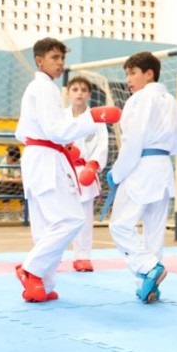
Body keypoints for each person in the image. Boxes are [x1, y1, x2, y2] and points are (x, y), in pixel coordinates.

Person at [14, 37, 121, 303]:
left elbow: (27, 131)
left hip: (39, 156)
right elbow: (55, 130)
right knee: (71, 218)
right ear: (39, 60)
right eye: (54, 58)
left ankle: (43, 285)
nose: (61, 63)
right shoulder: (45, 88)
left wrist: (68, 148)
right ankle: (31, 270)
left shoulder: (38, 89)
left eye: (62, 58)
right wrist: (92, 118)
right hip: (45, 159)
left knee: (45, 227)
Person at [106, 51, 177, 303]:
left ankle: (149, 268)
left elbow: (134, 139)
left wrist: (117, 172)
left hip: (140, 167)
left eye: (132, 73)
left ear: (149, 74)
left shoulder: (140, 99)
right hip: (163, 167)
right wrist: (165, 150)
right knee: (153, 232)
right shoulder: (170, 100)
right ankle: (149, 286)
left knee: (120, 224)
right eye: (127, 74)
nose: (129, 80)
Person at [64, 75, 109, 272]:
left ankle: (82, 256)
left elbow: (102, 145)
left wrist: (93, 165)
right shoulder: (60, 118)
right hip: (64, 170)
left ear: (89, 94)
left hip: (86, 171)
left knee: (84, 215)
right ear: (68, 93)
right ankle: (50, 255)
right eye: (75, 89)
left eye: (83, 89)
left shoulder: (97, 119)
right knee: (59, 215)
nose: (79, 93)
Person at [0, 145, 24, 221]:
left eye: (8, 156)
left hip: (16, 184)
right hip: (5, 184)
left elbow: (22, 179)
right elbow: (4, 179)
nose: (6, 156)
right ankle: (6, 215)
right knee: (5, 187)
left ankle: (21, 214)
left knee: (24, 188)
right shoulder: (4, 161)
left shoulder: (21, 162)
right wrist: (14, 180)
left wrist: (11, 179)